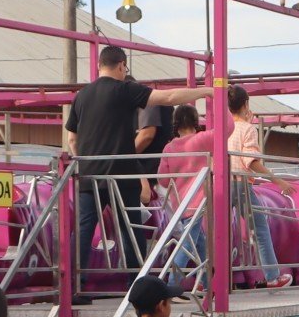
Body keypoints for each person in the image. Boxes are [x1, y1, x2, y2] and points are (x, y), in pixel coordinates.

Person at [64, 45, 208, 275]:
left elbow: (72, 139)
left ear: (100, 65)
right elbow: (169, 97)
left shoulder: (81, 96)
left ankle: (72, 286)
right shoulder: (124, 89)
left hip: (89, 174)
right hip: (122, 174)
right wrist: (206, 91)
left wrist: (84, 160)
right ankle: (135, 285)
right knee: (130, 231)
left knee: (83, 230)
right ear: (121, 65)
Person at [226, 84, 289, 287]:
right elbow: (250, 161)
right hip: (242, 183)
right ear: (246, 104)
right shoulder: (248, 129)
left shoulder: (222, 127)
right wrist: (276, 179)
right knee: (260, 230)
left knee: (218, 231)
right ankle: (272, 276)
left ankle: (211, 279)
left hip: (221, 183)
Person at [155, 106, 219, 285]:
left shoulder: (169, 147)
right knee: (188, 244)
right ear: (195, 121)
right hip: (198, 201)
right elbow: (227, 127)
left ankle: (208, 285)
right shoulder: (203, 139)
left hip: (180, 204)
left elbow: (163, 180)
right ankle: (170, 285)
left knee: (199, 244)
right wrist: (221, 101)